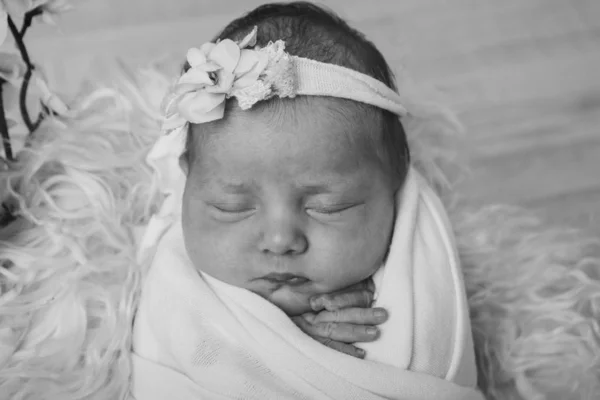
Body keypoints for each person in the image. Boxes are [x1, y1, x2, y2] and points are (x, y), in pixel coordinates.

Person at [130, 2, 485, 399]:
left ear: (396, 179)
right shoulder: (176, 284)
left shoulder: (410, 285)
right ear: (187, 180)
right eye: (231, 206)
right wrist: (277, 340)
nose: (280, 240)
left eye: (328, 207)